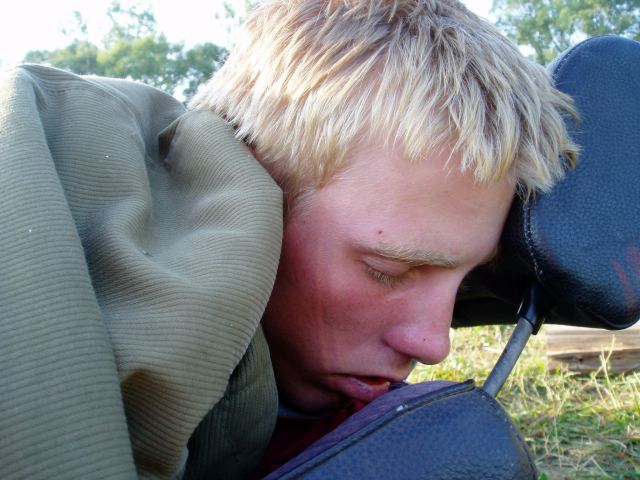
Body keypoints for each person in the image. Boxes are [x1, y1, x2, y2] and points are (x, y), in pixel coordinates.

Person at [0, 1, 577, 479]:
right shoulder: (52, 169)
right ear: (252, 172)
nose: (434, 344)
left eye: (468, 278)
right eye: (388, 270)